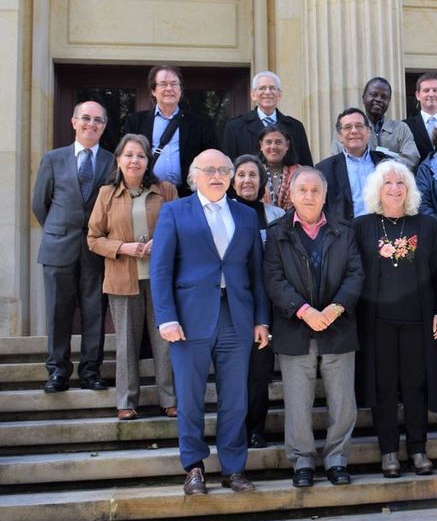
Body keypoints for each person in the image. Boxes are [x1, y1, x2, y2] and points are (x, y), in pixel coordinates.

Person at [151, 149, 270, 496]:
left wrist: (262, 319)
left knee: (235, 399)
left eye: (223, 169)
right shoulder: (174, 211)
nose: (217, 175)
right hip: (188, 320)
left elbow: (257, 274)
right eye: (209, 170)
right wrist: (166, 317)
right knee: (189, 398)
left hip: (237, 317)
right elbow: (160, 270)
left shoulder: (246, 215)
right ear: (194, 176)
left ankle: (233, 469)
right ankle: (194, 468)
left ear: (231, 176)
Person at [263, 167, 365, 488]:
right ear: (291, 195)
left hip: (338, 325)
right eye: (302, 191)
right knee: (297, 400)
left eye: (315, 191)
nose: (309, 196)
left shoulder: (344, 231)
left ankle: (337, 459)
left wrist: (334, 309)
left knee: (342, 401)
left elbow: (355, 275)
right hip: (295, 326)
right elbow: (274, 279)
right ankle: (302, 461)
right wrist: (305, 311)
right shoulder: (276, 232)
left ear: (324, 195)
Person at [353, 161, 437, 478]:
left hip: (418, 322)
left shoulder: (426, 226)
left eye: (400, 183)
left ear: (409, 189)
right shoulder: (362, 227)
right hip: (377, 323)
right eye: (388, 183)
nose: (394, 188)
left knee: (415, 386)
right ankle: (389, 452)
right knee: (384, 388)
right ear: (377, 189)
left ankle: (418, 449)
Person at [87, 134, 178, 420]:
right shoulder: (106, 194)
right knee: (126, 342)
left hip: (160, 278)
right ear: (118, 160)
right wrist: (123, 247)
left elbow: (183, 229)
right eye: (128, 155)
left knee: (165, 341)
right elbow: (93, 238)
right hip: (122, 278)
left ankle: (170, 399)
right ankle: (126, 401)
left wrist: (161, 243)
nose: (134, 160)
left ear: (148, 161)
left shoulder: (167, 191)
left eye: (140, 155)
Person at [32, 101, 115, 393]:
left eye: (98, 120)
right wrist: (60, 230)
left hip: (95, 249)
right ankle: (58, 372)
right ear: (74, 122)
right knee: (58, 311)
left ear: (104, 126)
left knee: (94, 311)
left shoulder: (111, 160)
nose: (91, 124)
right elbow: (40, 204)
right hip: (58, 246)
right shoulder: (53, 159)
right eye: (86, 118)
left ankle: (91, 371)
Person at [229, 154, 286, 448]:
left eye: (253, 175)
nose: (247, 180)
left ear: (262, 182)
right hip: (236, 303)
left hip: (272, 304)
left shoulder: (276, 215)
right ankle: (236, 428)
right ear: (232, 180)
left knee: (259, 373)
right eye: (241, 175)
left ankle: (256, 428)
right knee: (236, 372)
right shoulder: (223, 213)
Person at [123, 65, 219, 198]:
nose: (169, 88)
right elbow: (124, 156)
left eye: (174, 84)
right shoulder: (136, 121)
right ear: (153, 90)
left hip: (188, 195)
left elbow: (213, 159)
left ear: (180, 90)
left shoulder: (200, 123)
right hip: (146, 193)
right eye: (163, 84)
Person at [221, 71, 314, 166]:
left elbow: (307, 167)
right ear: (253, 94)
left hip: (287, 180)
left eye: (272, 88)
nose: (268, 92)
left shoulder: (295, 127)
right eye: (262, 88)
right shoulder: (235, 127)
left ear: (279, 95)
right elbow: (228, 167)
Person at [331, 78, 419, 169]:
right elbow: (339, 158)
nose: (378, 99)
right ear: (363, 98)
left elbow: (411, 157)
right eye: (374, 95)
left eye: (384, 97)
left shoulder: (401, 128)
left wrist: (384, 168)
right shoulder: (346, 129)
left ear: (389, 101)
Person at [316, 108, 387, 221]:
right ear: (340, 135)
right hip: (344, 234)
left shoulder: (386, 162)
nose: (354, 131)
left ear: (368, 131)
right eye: (348, 127)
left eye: (359, 126)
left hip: (383, 232)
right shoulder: (324, 170)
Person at [404, 72, 437, 162]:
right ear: (418, 95)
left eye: (435, 90)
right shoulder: (405, 126)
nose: (431, 94)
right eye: (426, 90)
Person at [258, 124, 301, 211]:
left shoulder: (300, 173)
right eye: (268, 142)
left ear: (287, 145)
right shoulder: (253, 173)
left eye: (278, 142)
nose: (273, 147)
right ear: (261, 145)